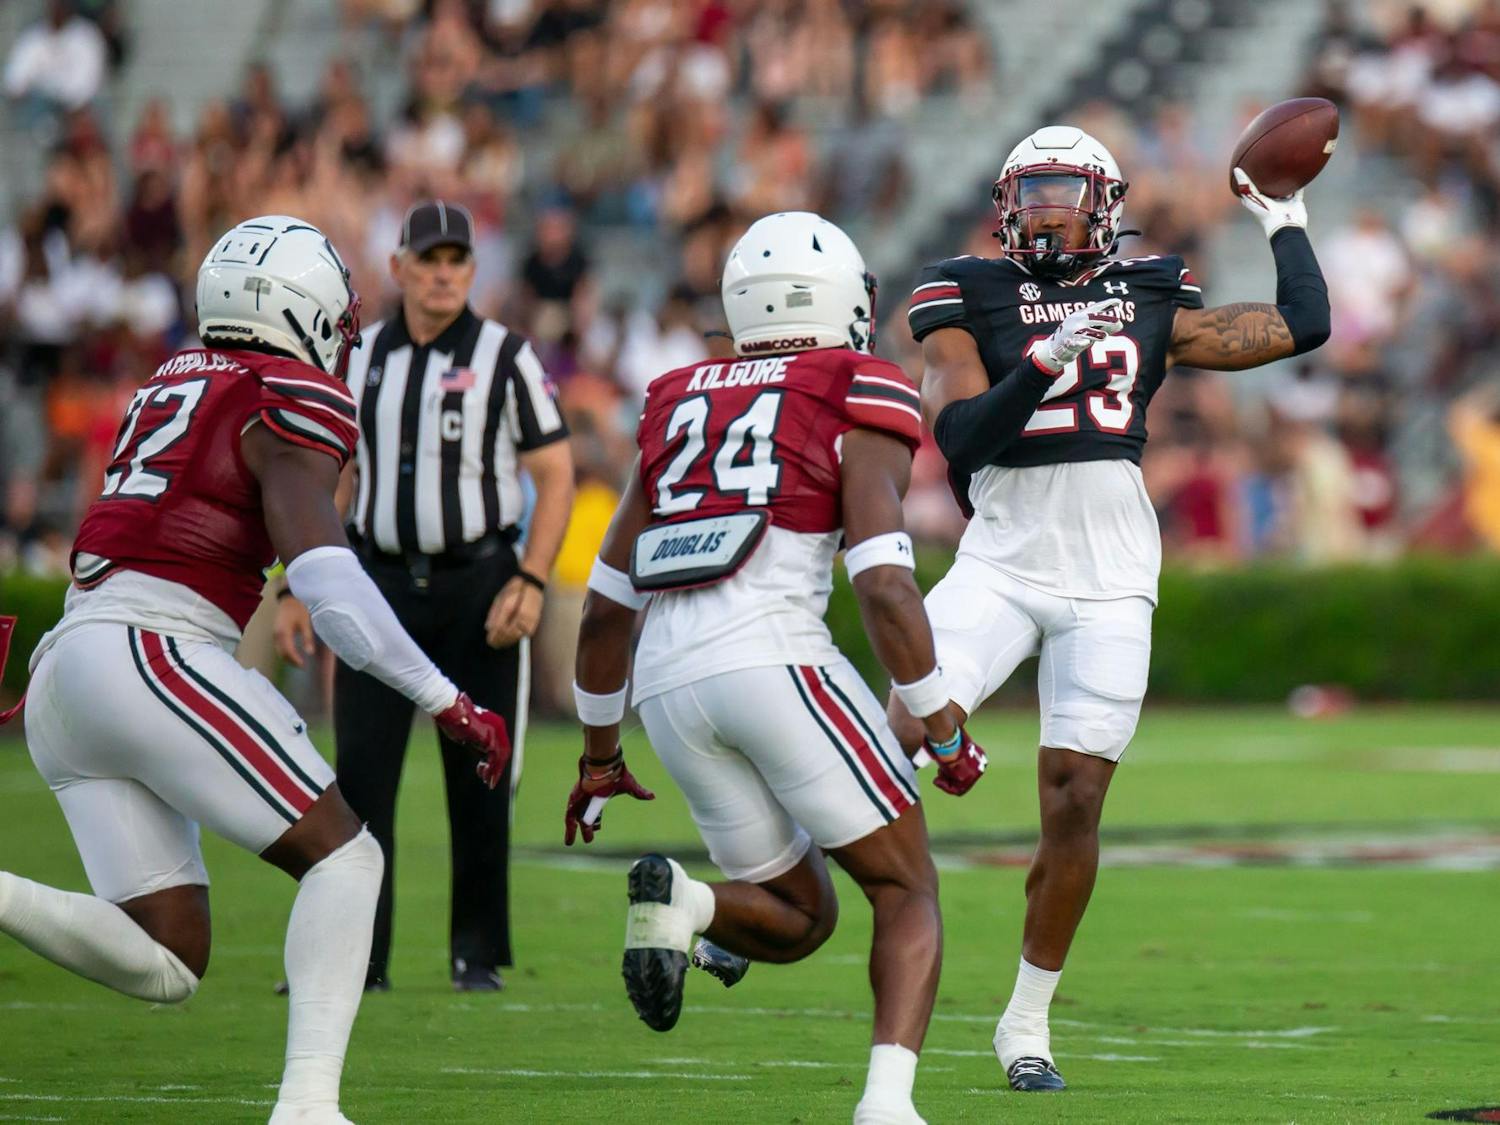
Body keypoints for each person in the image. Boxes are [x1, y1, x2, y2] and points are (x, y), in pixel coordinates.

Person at [0, 215, 512, 1125]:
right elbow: (325, 576)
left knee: (167, 960)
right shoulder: (290, 390)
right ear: (303, 308)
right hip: (154, 649)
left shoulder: (172, 377)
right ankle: (308, 1108)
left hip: (67, 670)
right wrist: (446, 696)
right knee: (348, 858)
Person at [894, 126, 1331, 1092]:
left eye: (1066, 190)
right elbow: (960, 436)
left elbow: (1303, 326)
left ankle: (1026, 1023)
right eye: (1033, 191)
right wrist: (1043, 359)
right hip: (1004, 556)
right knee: (899, 731)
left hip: (1112, 570)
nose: (1049, 208)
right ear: (1008, 202)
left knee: (1076, 797)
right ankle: (773, 896)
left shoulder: (1151, 291)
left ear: (1106, 203)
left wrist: (1286, 219)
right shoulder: (964, 288)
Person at [567, 212, 990, 1125]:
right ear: (843, 299)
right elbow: (882, 586)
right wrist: (943, 724)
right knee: (907, 887)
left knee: (799, 912)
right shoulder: (855, 382)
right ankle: (887, 1105)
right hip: (775, 655)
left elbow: (607, 608)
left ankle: (685, 903)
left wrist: (599, 755)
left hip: (667, 686)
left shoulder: (676, 396)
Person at [275, 200, 574, 992]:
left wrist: (532, 577)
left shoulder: (507, 355)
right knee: (362, 777)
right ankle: (356, 957)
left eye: (456, 260)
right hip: (376, 582)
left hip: (480, 583)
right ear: (399, 266)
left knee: (478, 774)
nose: (442, 273)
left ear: (472, 271)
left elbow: (554, 473)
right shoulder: (362, 353)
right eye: (428, 258)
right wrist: (298, 584)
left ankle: (477, 954)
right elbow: (331, 476)